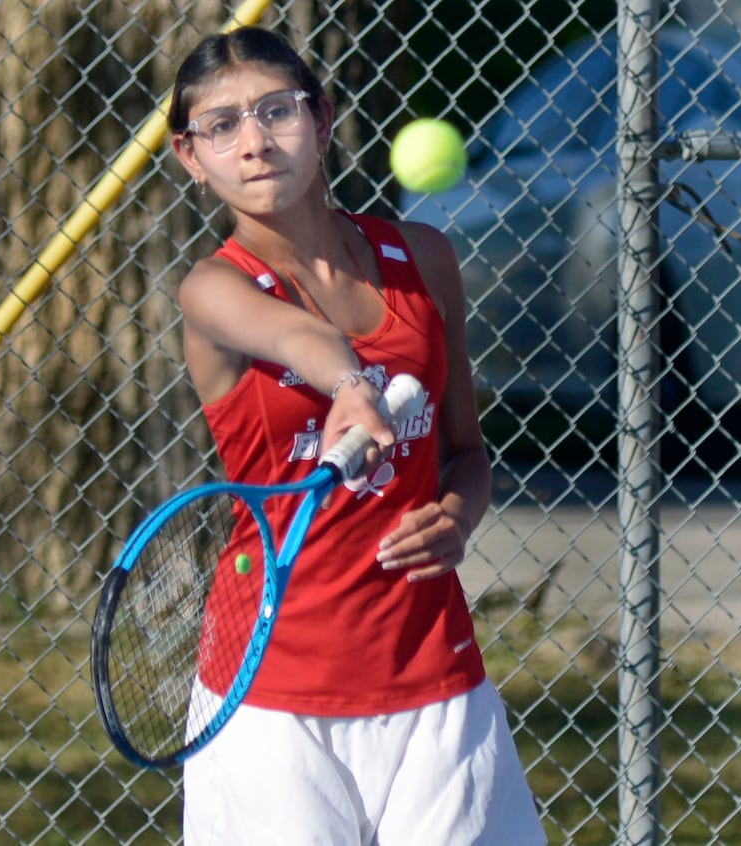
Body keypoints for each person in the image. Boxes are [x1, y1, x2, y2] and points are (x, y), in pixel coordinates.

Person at [168, 26, 546, 846]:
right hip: (271, 685)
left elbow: (466, 453)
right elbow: (293, 337)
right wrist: (349, 383)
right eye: (221, 125)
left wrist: (458, 516)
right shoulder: (213, 289)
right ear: (190, 157)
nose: (255, 141)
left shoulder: (424, 257)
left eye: (277, 110)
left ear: (324, 119)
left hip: (435, 670)